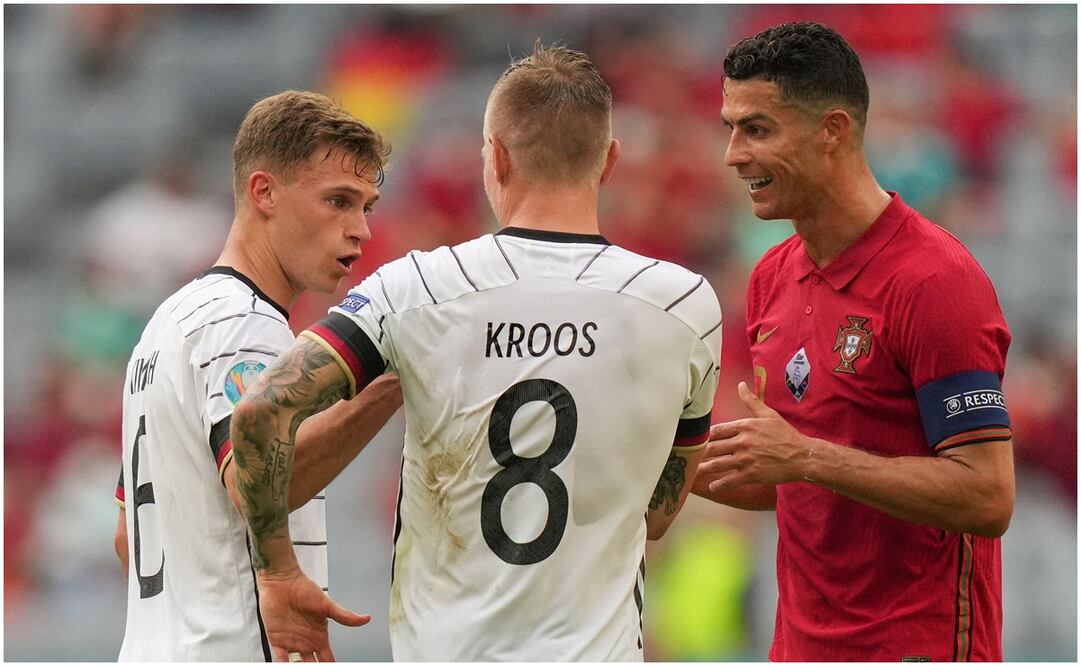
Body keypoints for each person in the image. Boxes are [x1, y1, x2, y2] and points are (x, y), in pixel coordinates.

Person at [229, 44, 723, 661]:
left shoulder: (415, 288)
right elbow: (658, 511)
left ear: (496, 158)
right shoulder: (683, 306)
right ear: (610, 161)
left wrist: (277, 573)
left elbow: (259, 414)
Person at [693, 22, 1014, 661]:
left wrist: (806, 456)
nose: (732, 154)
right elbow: (778, 479)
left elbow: (988, 494)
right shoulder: (770, 278)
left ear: (833, 130)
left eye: (756, 129)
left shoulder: (935, 281)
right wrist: (641, 456)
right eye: (730, 128)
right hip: (798, 648)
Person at [113, 90, 403, 661]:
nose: (361, 230)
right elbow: (260, 481)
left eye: (366, 206)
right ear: (263, 191)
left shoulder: (168, 323)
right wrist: (392, 383)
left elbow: (128, 538)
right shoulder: (243, 324)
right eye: (338, 201)